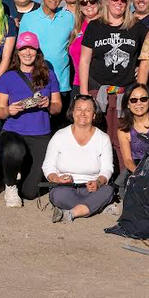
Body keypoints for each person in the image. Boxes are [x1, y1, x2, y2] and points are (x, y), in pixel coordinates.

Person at [79, 0, 147, 174]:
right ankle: (97, 176)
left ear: (128, 3)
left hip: (125, 93)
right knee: (98, 135)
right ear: (107, 0)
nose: (118, 2)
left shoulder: (137, 27)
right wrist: (84, 93)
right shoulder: (95, 26)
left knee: (122, 137)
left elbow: (147, 58)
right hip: (98, 89)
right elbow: (84, 61)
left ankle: (122, 178)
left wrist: (139, 74)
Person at [0, 32, 63, 207]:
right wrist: (9, 110)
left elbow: (58, 107)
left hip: (40, 134)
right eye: (23, 48)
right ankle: (10, 184)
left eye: (31, 48)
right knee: (15, 150)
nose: (27, 52)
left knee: (30, 193)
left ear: (37, 51)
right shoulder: (7, 77)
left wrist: (48, 105)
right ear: (17, 52)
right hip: (13, 131)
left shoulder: (49, 75)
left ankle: (17, 171)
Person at [43, 95, 115, 223]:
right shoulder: (60, 135)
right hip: (66, 188)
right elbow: (48, 165)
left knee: (108, 191)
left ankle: (72, 213)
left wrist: (98, 182)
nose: (83, 113)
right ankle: (94, 207)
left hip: (92, 189)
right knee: (58, 195)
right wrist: (57, 179)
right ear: (73, 112)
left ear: (94, 115)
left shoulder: (103, 138)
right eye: (79, 109)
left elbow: (107, 169)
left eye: (88, 110)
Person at [19, 0, 75, 99]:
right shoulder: (28, 18)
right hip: (36, 82)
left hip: (62, 84)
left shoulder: (69, 17)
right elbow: (21, 50)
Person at [116, 83, 149, 187]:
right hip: (136, 170)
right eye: (133, 100)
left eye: (143, 99)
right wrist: (140, 174)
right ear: (128, 104)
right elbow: (128, 160)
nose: (139, 103)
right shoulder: (123, 129)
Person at [69, 0, 101, 94]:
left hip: (97, 85)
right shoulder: (77, 28)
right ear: (79, 7)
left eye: (92, 1)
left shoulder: (105, 26)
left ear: (98, 3)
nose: (89, 5)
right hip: (77, 84)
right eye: (83, 2)